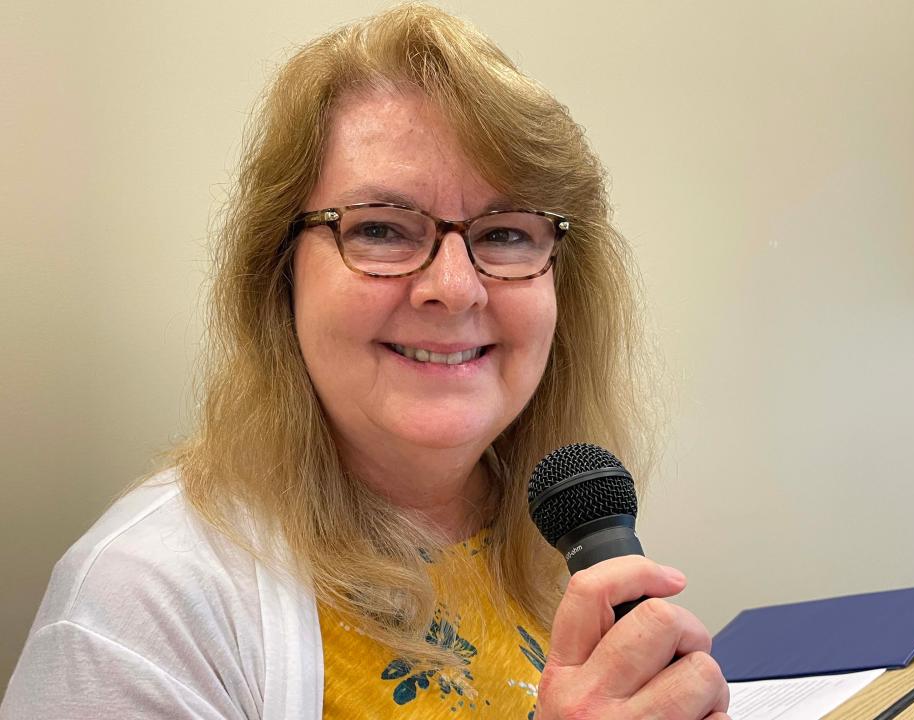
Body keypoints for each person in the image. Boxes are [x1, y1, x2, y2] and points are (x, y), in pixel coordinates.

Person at [1, 4, 729, 718]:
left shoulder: (559, 529)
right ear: (279, 274)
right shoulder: (136, 605)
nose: (454, 287)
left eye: (507, 234)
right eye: (381, 229)